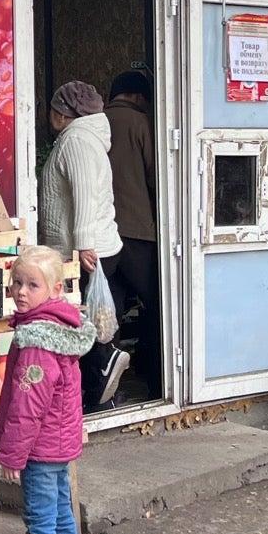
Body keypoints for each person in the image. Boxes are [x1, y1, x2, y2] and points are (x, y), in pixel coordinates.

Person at [0, 245, 95, 534]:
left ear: (55, 290)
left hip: (39, 448)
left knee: (41, 523)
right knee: (62, 515)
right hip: (59, 444)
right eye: (16, 282)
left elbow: (27, 406)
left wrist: (12, 455)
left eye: (32, 285)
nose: (20, 291)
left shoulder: (37, 341)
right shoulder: (62, 329)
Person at [37, 80, 127, 408]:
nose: (49, 115)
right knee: (97, 318)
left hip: (86, 250)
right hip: (93, 246)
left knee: (85, 324)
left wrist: (84, 245)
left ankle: (103, 371)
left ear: (63, 113)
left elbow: (84, 193)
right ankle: (102, 389)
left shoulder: (76, 139)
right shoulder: (86, 137)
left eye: (52, 109)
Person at [103, 69, 162, 400]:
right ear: (140, 97)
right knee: (156, 305)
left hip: (104, 234)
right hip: (139, 232)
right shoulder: (141, 123)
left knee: (108, 311)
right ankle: (155, 379)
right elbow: (157, 176)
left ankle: (104, 387)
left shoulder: (96, 122)